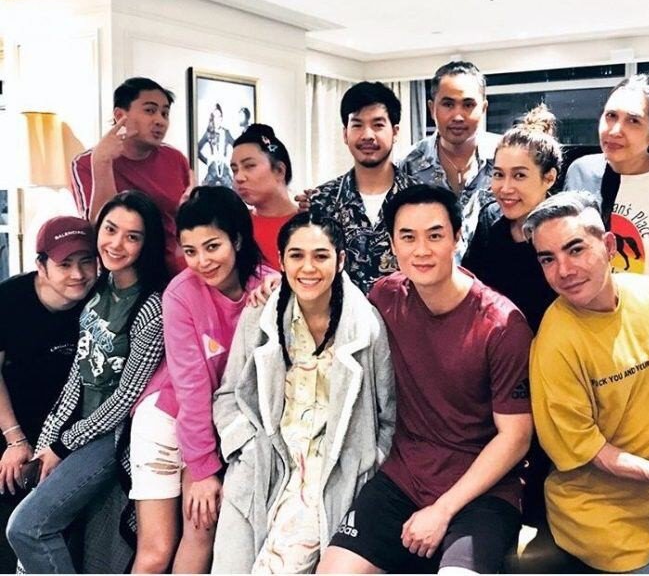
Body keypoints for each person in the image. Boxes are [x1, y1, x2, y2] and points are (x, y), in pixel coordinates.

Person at [319, 184, 533, 575]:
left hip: (482, 491)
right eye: (408, 237)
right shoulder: (385, 298)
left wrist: (442, 510)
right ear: (392, 245)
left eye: (435, 235)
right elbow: (322, 311)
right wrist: (272, 288)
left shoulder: (502, 325)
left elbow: (515, 438)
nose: (421, 250)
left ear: (456, 238)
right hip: (403, 476)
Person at [211, 212, 395, 574]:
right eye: (296, 255)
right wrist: (245, 447)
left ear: (340, 260)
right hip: (264, 464)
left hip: (330, 472)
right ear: (281, 261)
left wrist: (367, 461)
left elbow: (387, 414)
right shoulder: (260, 316)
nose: (308, 268)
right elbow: (229, 394)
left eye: (321, 256)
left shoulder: (366, 327)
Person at [525, 190, 649, 573]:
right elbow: (590, 449)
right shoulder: (554, 342)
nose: (564, 270)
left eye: (575, 249)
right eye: (548, 259)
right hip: (602, 519)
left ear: (609, 245)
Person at [6, 190, 169, 574]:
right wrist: (48, 439)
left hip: (112, 438)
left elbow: (126, 397)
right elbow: (78, 375)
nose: (117, 244)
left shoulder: (152, 305)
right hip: (76, 428)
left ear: (146, 244)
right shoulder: (98, 288)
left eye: (132, 236)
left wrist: (63, 445)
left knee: (27, 528)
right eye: (110, 230)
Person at [130, 186, 273, 574]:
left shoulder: (270, 286)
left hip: (227, 426)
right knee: (155, 554)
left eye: (212, 247)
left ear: (237, 239)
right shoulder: (180, 294)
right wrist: (204, 470)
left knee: (202, 531)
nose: (202, 262)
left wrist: (279, 295)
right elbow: (192, 388)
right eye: (190, 251)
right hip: (168, 421)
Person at [0, 217, 97, 573]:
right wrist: (14, 439)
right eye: (65, 264)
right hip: (12, 427)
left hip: (65, 437)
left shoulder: (99, 302)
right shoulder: (10, 299)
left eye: (86, 261)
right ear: (41, 266)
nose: (78, 274)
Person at [564, 74, 649, 292]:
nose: (615, 130)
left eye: (633, 121)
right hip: (584, 309)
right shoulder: (581, 171)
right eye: (611, 116)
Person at [71, 77, 192, 275]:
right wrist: (102, 164)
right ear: (120, 115)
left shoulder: (175, 158)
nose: (160, 121)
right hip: (122, 273)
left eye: (165, 113)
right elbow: (98, 228)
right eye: (150, 110)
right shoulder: (87, 163)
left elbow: (187, 222)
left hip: (174, 270)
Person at [462, 104, 560, 333]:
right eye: (498, 174)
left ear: (549, 178)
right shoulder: (489, 219)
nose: (505, 188)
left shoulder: (565, 230)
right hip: (495, 342)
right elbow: (472, 288)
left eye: (519, 175)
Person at [310, 81, 412, 294]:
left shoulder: (420, 198)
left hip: (408, 315)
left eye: (378, 125)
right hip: (341, 315)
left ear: (395, 132)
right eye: (357, 125)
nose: (367, 135)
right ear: (345, 134)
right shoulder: (322, 200)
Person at [399, 60, 500, 250]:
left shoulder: (505, 157)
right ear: (432, 109)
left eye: (468, 105)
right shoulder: (407, 164)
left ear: (483, 108)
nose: (458, 116)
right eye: (448, 104)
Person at [231, 123, 297, 271]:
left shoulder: (311, 223)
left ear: (279, 170)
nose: (239, 177)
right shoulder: (235, 225)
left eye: (249, 166)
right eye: (234, 170)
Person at [197, 103, 235, 187]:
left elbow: (237, 147)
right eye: (215, 117)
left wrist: (231, 162)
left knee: (232, 190)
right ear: (212, 119)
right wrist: (207, 160)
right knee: (205, 191)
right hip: (213, 168)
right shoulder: (208, 133)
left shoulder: (226, 132)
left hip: (224, 168)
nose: (218, 119)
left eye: (220, 116)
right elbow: (196, 149)